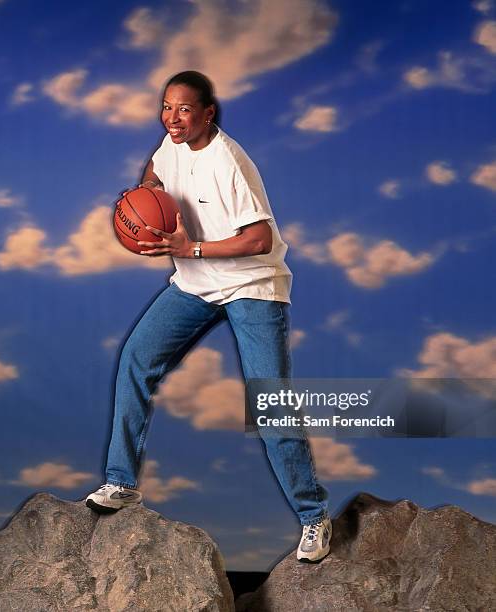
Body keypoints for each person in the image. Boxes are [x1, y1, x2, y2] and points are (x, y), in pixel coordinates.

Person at [86, 71, 331, 562]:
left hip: (252, 284)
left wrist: (189, 246)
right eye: (167, 107)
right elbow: (155, 174)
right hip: (196, 285)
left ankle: (314, 516)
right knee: (136, 359)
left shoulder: (229, 162)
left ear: (207, 114)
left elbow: (259, 239)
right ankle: (120, 483)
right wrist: (140, 205)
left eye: (183, 110)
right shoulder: (171, 142)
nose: (172, 118)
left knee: (269, 403)